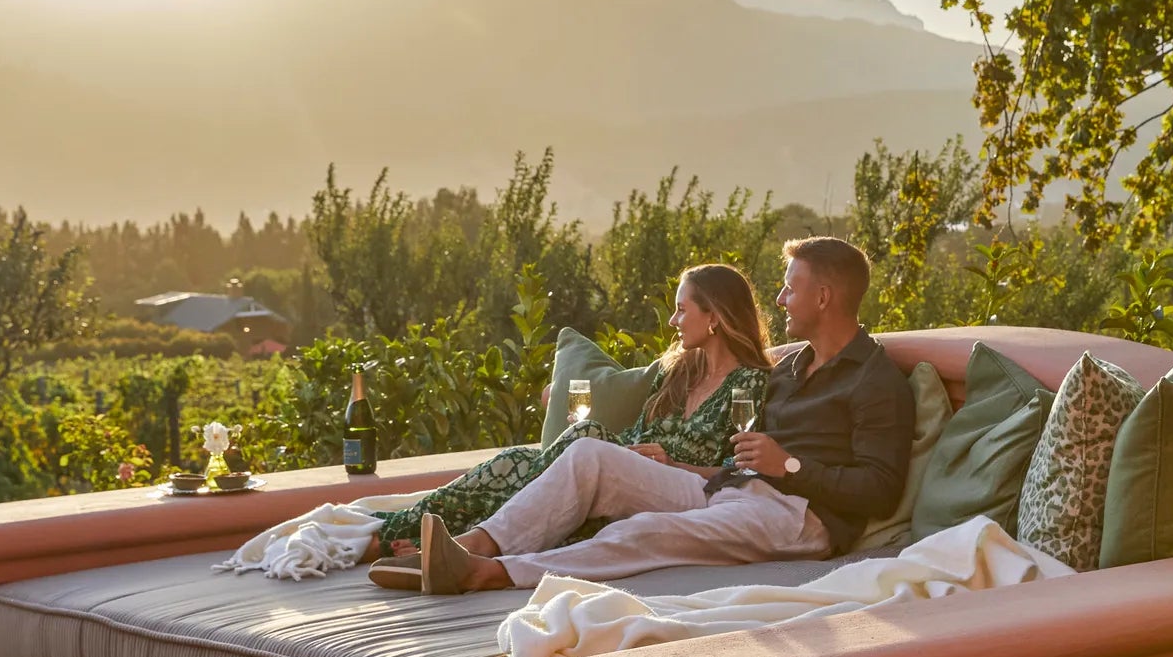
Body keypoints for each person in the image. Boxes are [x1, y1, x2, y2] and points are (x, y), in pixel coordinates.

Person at [418, 235, 916, 594]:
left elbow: (879, 488)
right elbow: (744, 467)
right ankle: (476, 544)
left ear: (824, 297)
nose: (781, 299)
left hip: (801, 519)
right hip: (737, 491)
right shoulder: (791, 368)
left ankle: (496, 573)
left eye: (791, 288)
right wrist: (685, 471)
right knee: (592, 454)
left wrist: (787, 466)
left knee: (643, 531)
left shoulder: (874, 381)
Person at [364, 263, 771, 587]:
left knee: (584, 436)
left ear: (714, 316)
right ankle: (390, 534)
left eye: (682, 309)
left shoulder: (749, 382)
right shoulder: (677, 372)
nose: (672, 320)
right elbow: (634, 435)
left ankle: (460, 545)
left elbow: (739, 473)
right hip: (624, 469)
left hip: (681, 486)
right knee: (515, 459)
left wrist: (672, 464)